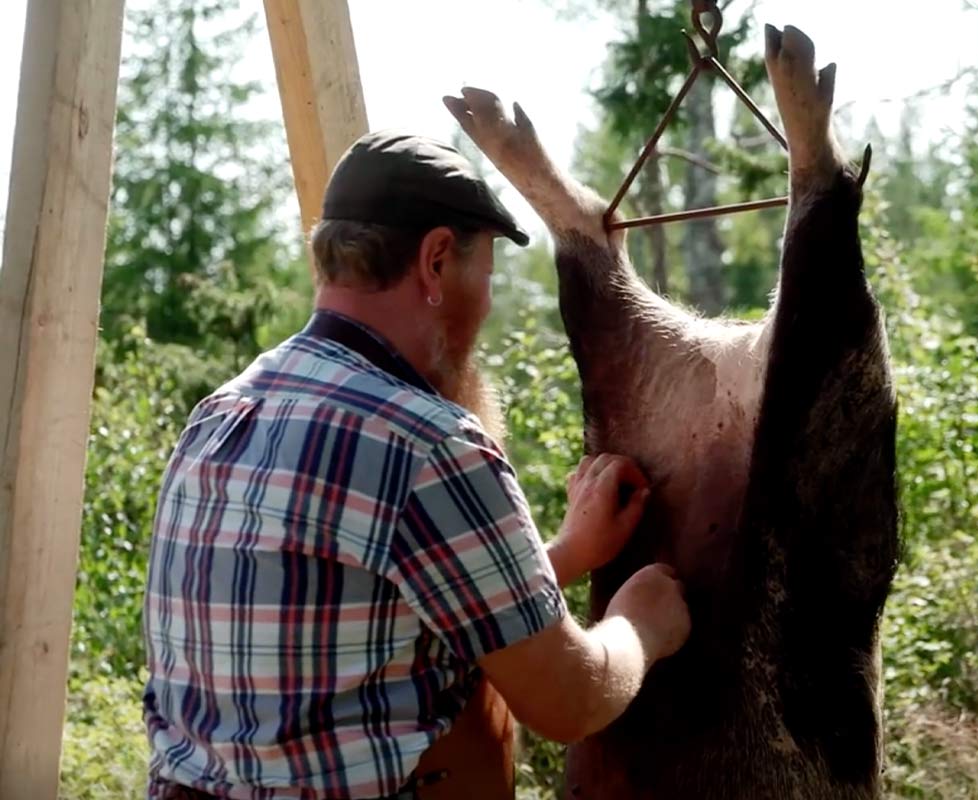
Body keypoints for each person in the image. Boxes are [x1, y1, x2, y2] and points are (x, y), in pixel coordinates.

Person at [141, 130, 692, 800]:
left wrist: (569, 552)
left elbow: (356, 619)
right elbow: (568, 701)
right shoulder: (427, 444)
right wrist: (642, 623)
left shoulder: (222, 414)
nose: (486, 307)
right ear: (435, 261)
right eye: (484, 275)